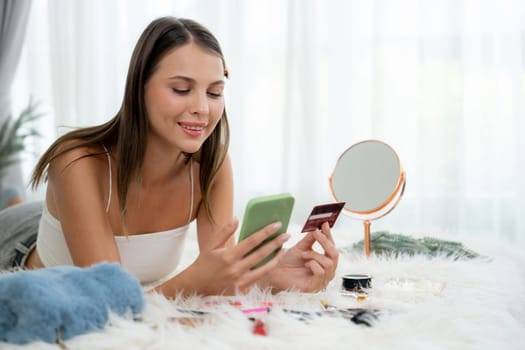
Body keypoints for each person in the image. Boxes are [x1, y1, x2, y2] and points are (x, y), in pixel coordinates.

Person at [0, 17, 338, 297]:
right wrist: (193, 279)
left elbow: (218, 279)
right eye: (181, 89)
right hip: (17, 241)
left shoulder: (211, 166)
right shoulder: (75, 162)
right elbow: (112, 303)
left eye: (215, 92)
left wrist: (274, 275)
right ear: (139, 87)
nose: (202, 109)